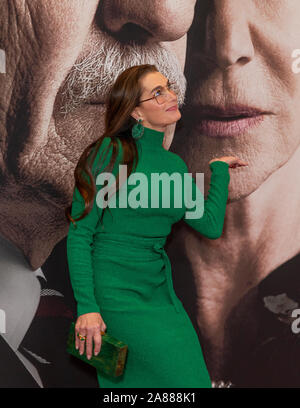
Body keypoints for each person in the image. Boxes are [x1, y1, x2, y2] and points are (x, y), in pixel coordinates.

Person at [66, 63, 248, 388]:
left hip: (161, 297)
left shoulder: (174, 166)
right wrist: (88, 308)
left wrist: (218, 171)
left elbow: (208, 225)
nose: (171, 96)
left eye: (168, 87)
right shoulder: (108, 153)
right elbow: (81, 234)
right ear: (136, 112)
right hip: (114, 298)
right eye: (158, 92)